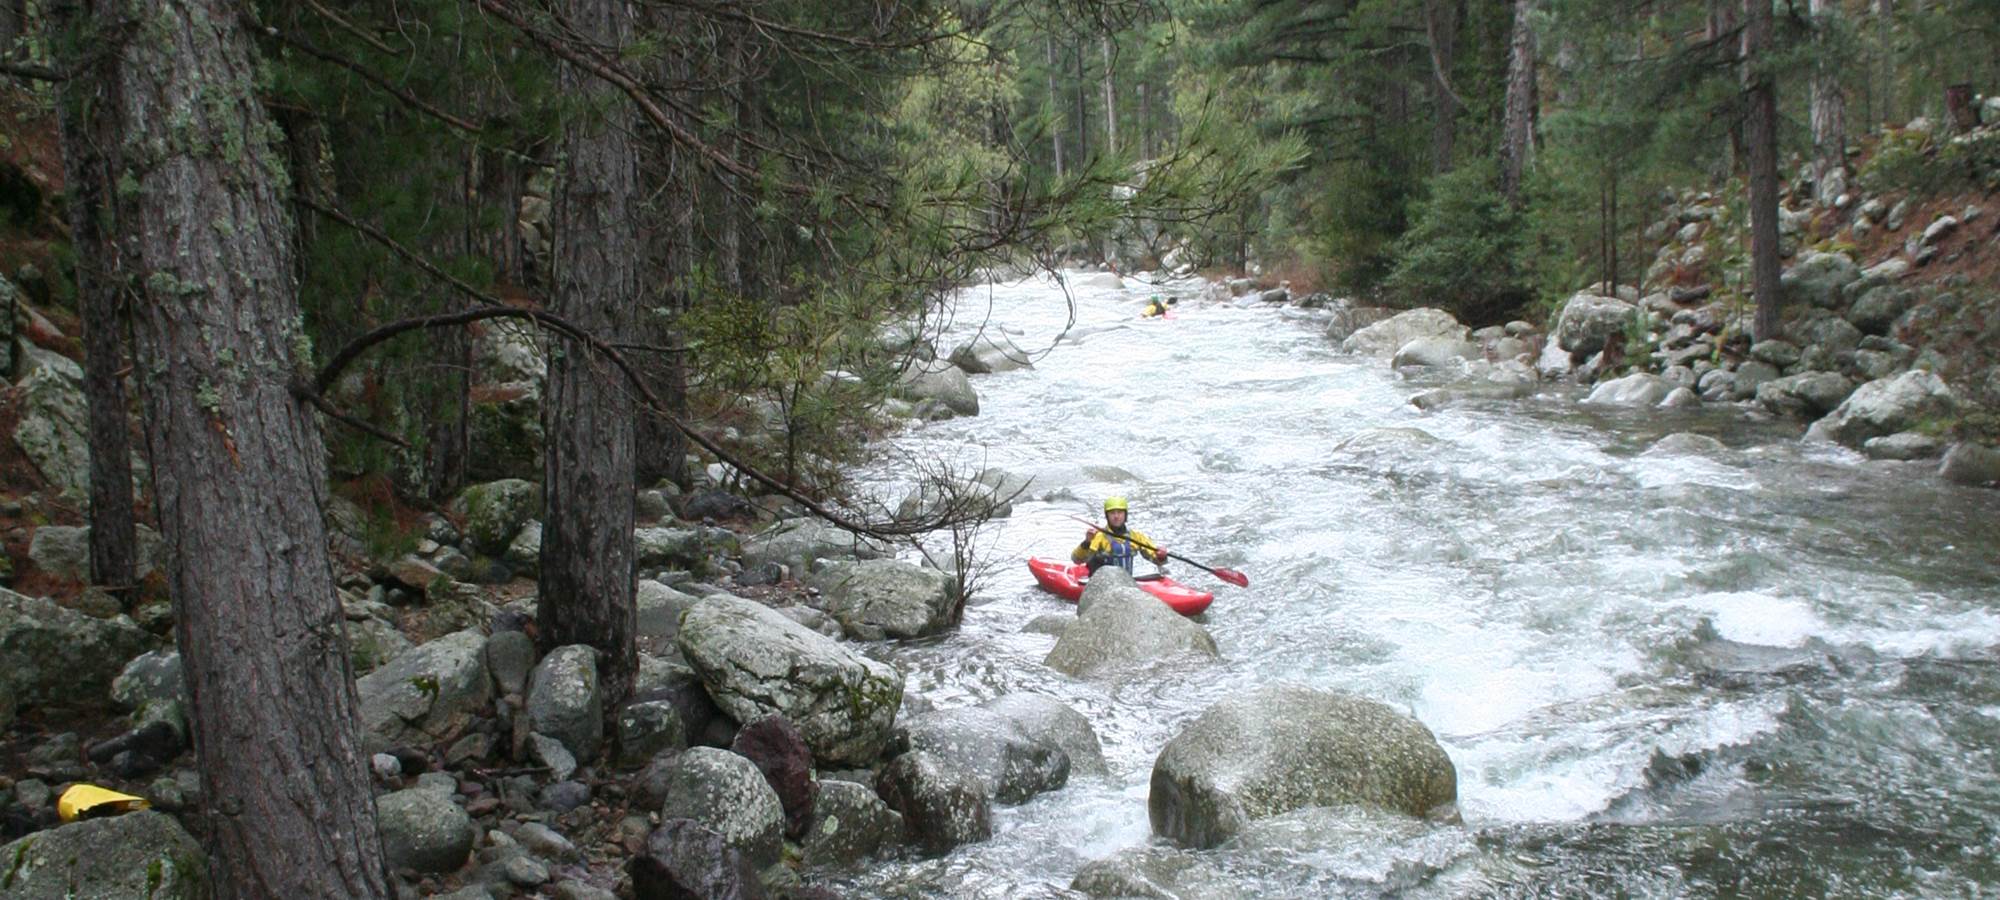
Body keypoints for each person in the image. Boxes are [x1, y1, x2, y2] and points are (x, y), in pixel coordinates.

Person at [1073, 496, 1168, 574]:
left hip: (1126, 583)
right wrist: (1087, 542)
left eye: (1120, 512)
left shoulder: (1136, 536)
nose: (1116, 516)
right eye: (1112, 513)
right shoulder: (1098, 537)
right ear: (1107, 516)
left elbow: (1157, 560)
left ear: (1125, 515)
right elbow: (1077, 560)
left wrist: (1161, 556)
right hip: (1103, 584)